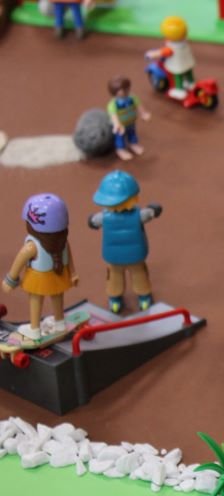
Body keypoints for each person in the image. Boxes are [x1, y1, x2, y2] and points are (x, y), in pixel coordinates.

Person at [2, 194, 78, 340]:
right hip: (59, 275)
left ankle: (34, 329)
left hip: (38, 278)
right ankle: (59, 323)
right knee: (57, 295)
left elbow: (19, 261)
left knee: (36, 299)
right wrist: (73, 273)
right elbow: (69, 257)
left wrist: (10, 280)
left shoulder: (32, 246)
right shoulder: (63, 243)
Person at [87, 171, 163, 314]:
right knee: (137, 275)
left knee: (117, 277)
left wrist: (91, 221)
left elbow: (93, 221)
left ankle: (117, 299)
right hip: (133, 255)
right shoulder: (139, 215)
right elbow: (150, 213)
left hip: (115, 256)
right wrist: (154, 210)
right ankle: (142, 298)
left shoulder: (103, 218)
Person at [145, 16, 196, 101]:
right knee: (188, 72)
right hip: (188, 62)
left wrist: (151, 54)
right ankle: (191, 82)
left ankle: (179, 89)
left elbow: (162, 52)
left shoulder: (171, 47)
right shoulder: (185, 41)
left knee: (177, 75)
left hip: (177, 65)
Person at [106, 76, 151, 161]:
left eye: (126, 88)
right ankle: (120, 150)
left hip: (131, 122)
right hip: (120, 125)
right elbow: (113, 115)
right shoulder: (113, 104)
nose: (125, 91)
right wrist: (117, 124)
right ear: (115, 92)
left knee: (132, 133)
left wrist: (144, 114)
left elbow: (139, 106)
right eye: (122, 89)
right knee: (120, 138)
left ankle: (133, 144)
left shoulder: (132, 98)